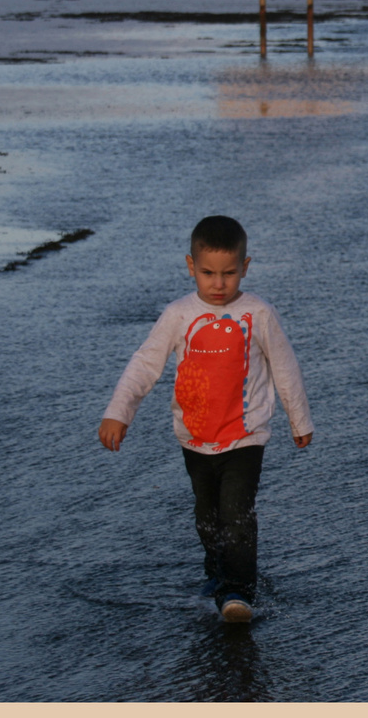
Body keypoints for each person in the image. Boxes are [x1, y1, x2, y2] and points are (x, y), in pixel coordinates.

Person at [98, 216, 314, 623]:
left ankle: (238, 593)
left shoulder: (259, 313)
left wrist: (298, 419)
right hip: (195, 438)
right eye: (208, 273)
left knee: (236, 511)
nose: (219, 284)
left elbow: (285, 367)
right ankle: (216, 573)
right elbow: (145, 364)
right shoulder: (178, 315)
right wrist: (118, 412)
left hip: (245, 436)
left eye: (229, 274)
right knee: (207, 515)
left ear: (245, 268)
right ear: (190, 266)